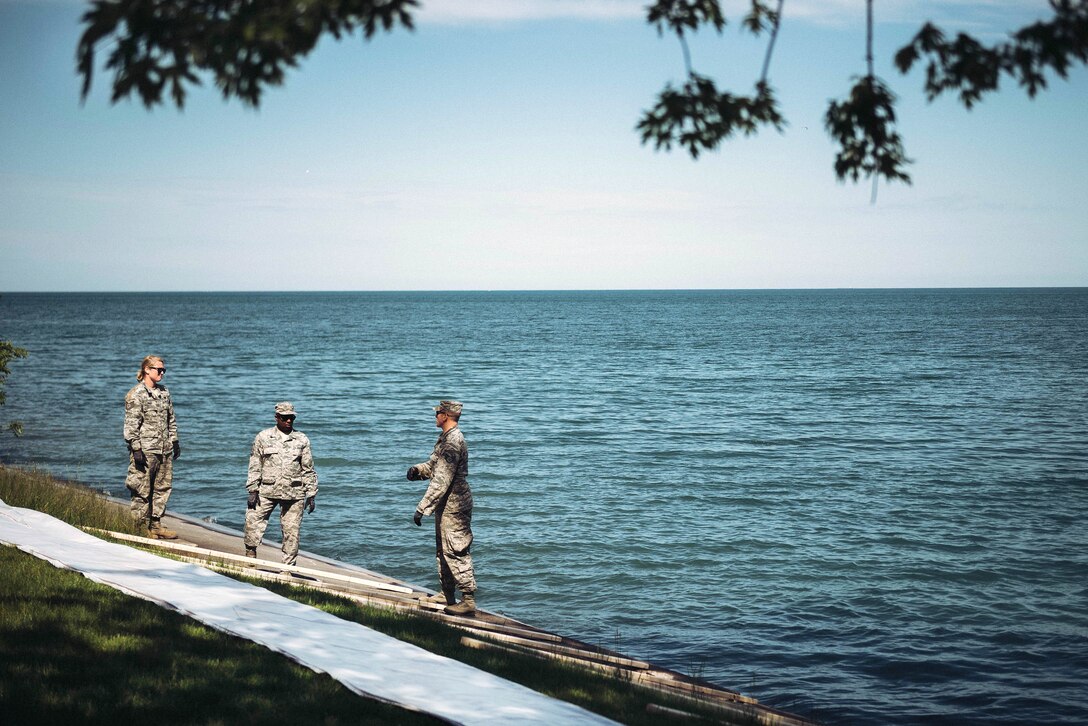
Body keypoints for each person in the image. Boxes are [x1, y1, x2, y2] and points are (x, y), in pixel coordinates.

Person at [407, 400, 477, 616]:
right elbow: (434, 467)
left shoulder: (453, 442)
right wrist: (418, 471)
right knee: (443, 550)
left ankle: (467, 599)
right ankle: (447, 594)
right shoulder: (445, 439)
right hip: (446, 504)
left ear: (445, 415)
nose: (435, 416)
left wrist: (422, 508)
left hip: (455, 504)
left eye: (437, 412)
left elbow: (442, 480)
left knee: (455, 549)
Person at [244, 402, 318, 566]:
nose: (289, 421)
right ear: (277, 417)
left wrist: (311, 494)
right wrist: (253, 490)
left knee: (292, 532)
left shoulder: (301, 439)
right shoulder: (263, 437)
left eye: (291, 417)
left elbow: (308, 468)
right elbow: (255, 464)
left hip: (294, 493)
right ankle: (250, 557)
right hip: (266, 490)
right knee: (252, 522)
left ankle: (287, 568)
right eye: (285, 418)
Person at [123, 355, 180, 539]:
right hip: (145, 450)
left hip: (164, 449)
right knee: (141, 488)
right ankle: (139, 527)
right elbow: (131, 424)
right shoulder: (136, 394)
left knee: (162, 488)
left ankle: (156, 525)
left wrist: (175, 440)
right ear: (147, 369)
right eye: (158, 369)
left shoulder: (164, 392)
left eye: (164, 370)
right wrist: (136, 448)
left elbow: (170, 419)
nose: (162, 373)